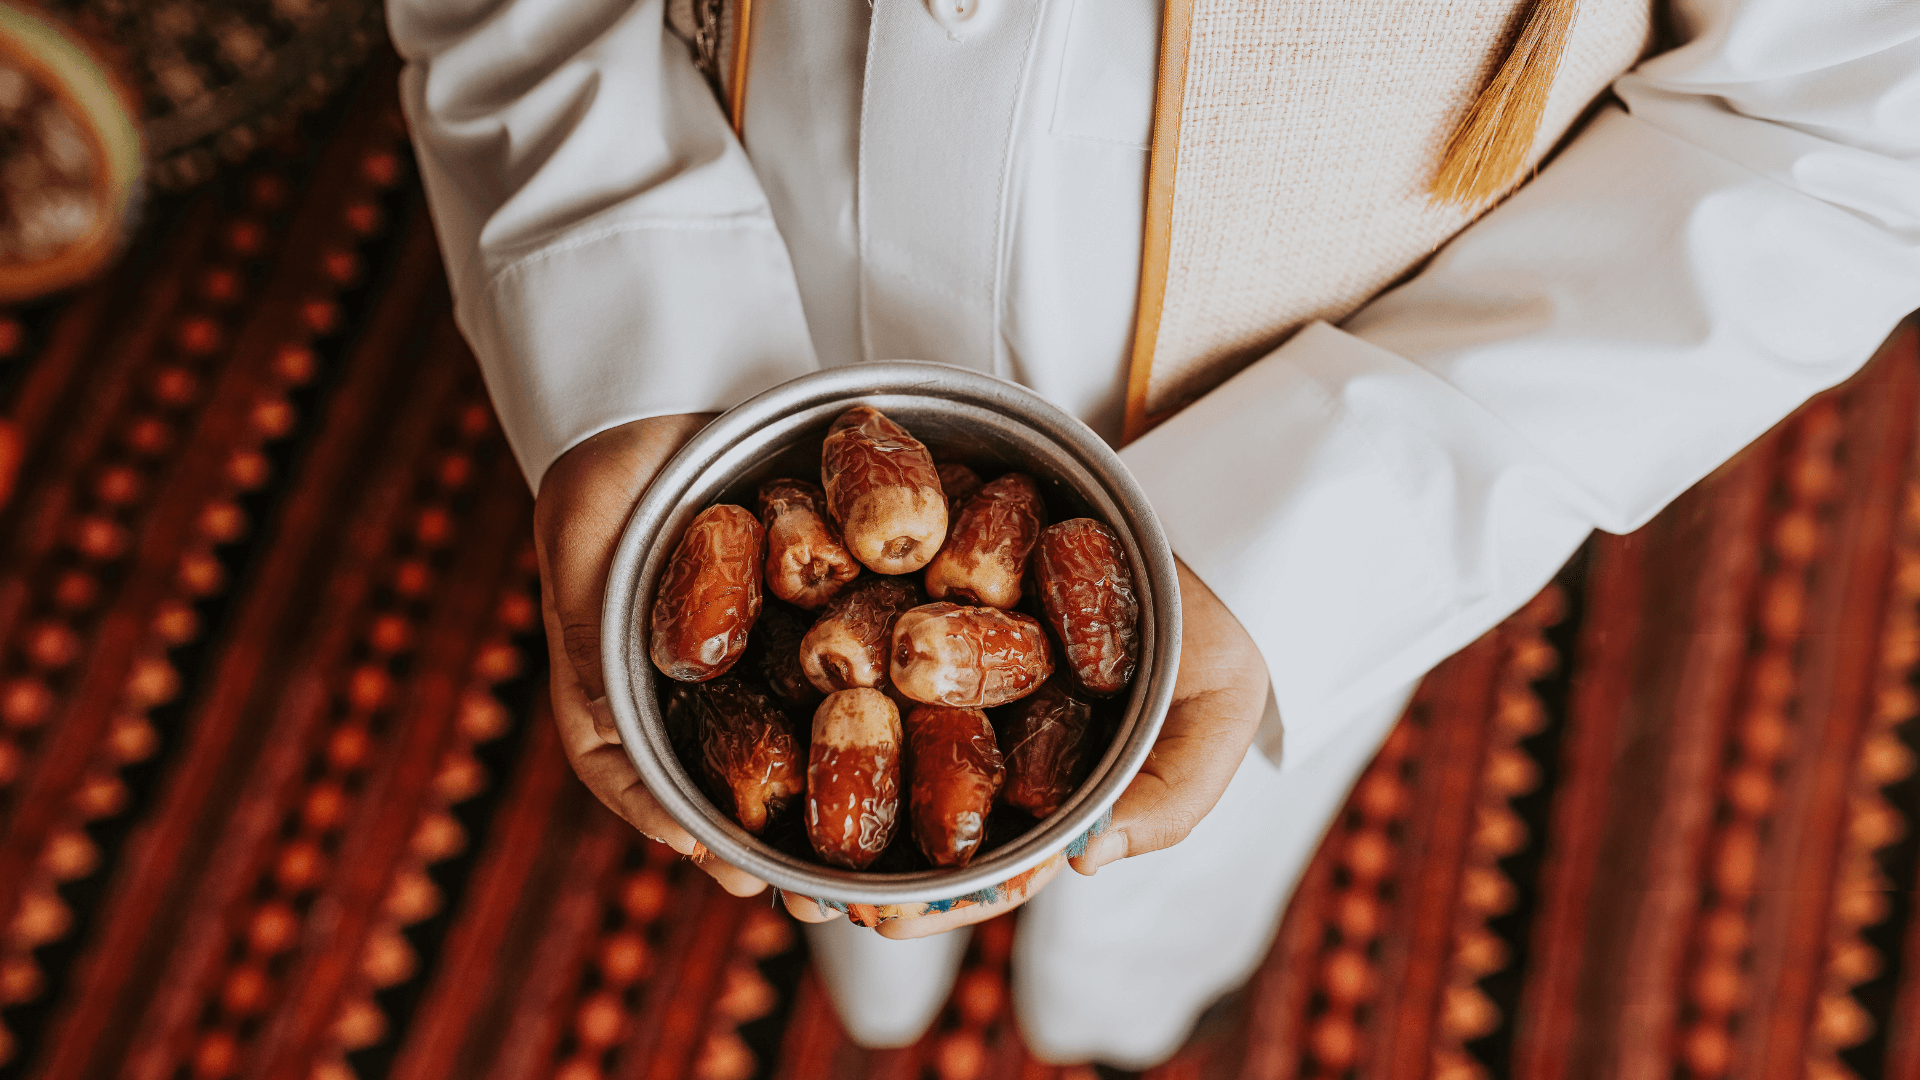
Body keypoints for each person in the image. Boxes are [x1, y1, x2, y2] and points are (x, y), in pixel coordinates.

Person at [387, 0, 1920, 1066]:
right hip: (749, 318)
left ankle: (1122, 998)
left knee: (1201, 817)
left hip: (1319, 417)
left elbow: (1844, 117)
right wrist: (612, 287)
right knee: (838, 849)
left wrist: (1326, 528)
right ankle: (883, 978)